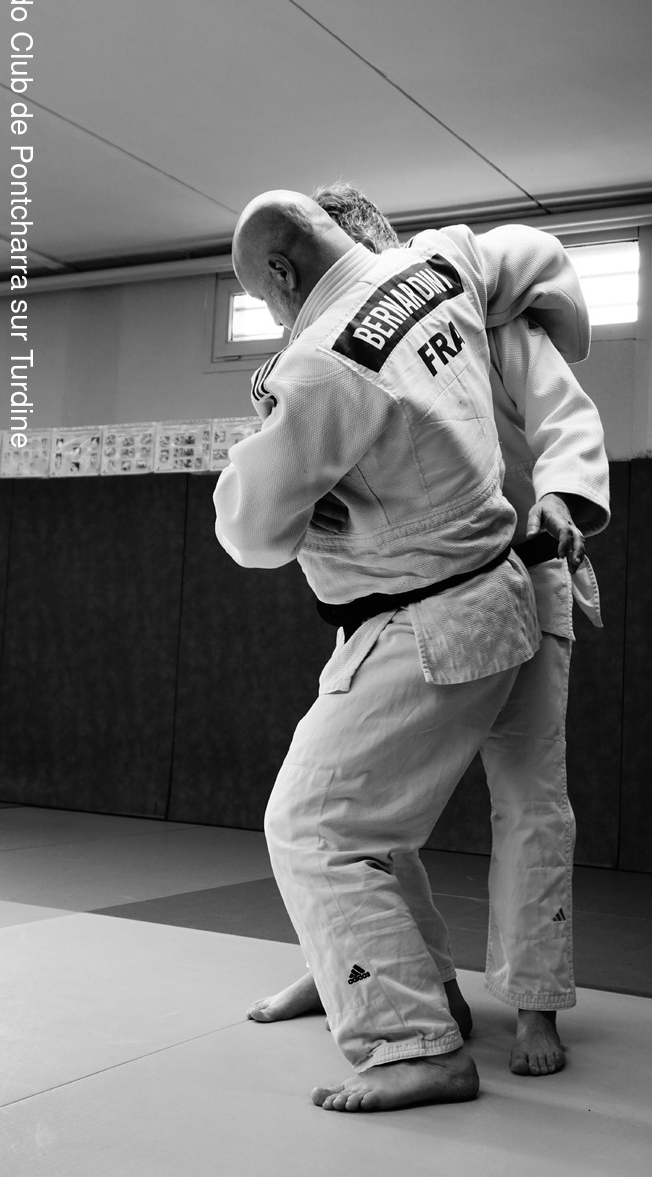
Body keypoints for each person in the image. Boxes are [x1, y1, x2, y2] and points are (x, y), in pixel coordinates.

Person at [214, 189, 599, 1111]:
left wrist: (564, 491)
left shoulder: (339, 352)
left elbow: (249, 530)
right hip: (419, 599)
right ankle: (371, 973)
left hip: (500, 579)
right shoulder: (442, 269)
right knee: (365, 815)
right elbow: (534, 253)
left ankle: (513, 1007)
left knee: (501, 804)